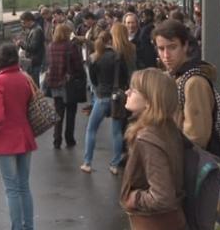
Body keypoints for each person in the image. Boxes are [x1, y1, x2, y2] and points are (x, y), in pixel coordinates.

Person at [120, 69, 186, 230]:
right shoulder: (166, 128)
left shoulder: (147, 137)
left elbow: (162, 197)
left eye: (134, 90)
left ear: (150, 101)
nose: (127, 92)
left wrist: (133, 198)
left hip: (154, 223)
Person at [0, 44, 37, 230]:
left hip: (6, 139)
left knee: (11, 189)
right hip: (25, 135)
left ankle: (17, 227)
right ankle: (29, 226)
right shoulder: (24, 78)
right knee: (24, 186)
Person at [152, 20, 215, 151]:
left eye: (172, 47)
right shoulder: (176, 76)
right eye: (161, 48)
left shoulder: (194, 82)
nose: (166, 55)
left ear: (185, 46)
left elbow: (197, 137)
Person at [81, 30, 128, 175]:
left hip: (101, 97)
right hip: (117, 98)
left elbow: (93, 80)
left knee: (91, 129)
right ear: (111, 41)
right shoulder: (118, 56)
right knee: (116, 133)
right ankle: (114, 164)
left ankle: (87, 163)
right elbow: (125, 76)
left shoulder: (95, 58)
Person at [45, 24, 84, 149]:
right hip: (69, 84)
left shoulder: (50, 46)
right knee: (71, 113)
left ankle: (57, 140)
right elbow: (78, 66)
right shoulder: (71, 46)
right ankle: (69, 139)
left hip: (55, 83)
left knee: (58, 112)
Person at [17, 11, 45, 86]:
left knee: (34, 83)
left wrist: (21, 43)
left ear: (28, 20)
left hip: (34, 61)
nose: (22, 24)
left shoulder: (36, 31)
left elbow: (33, 47)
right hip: (33, 60)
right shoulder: (34, 29)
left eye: (23, 22)